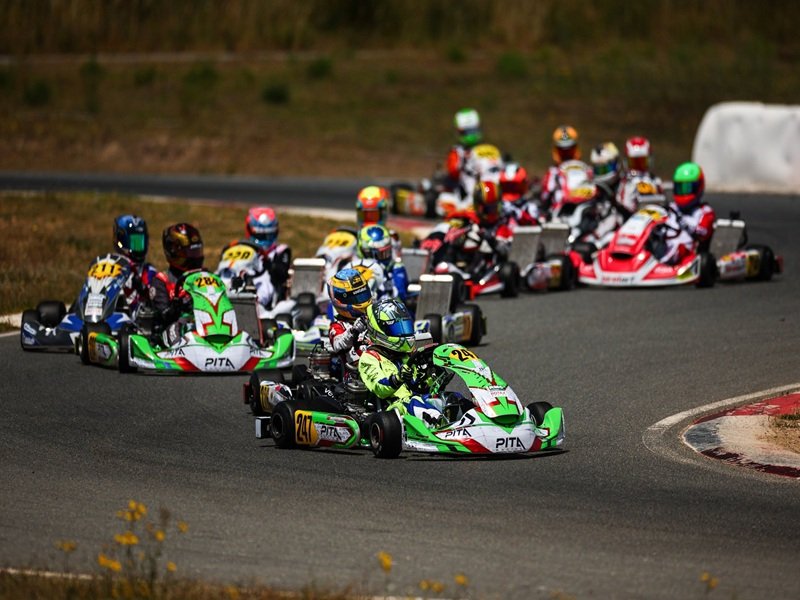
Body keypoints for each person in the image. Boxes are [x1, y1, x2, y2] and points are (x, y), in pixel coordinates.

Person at [358, 298, 444, 427]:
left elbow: (417, 386)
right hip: (393, 410)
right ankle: (440, 426)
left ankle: (472, 423)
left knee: (450, 398)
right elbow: (379, 388)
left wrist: (433, 378)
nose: (403, 332)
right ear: (379, 331)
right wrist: (398, 378)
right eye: (396, 328)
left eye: (404, 326)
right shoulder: (369, 358)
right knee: (414, 402)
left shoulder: (406, 355)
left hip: (417, 400)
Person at [221, 206, 292, 310]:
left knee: (263, 282)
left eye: (268, 235)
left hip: (264, 296)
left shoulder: (280, 251)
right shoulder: (241, 249)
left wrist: (269, 264)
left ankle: (251, 301)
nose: (265, 240)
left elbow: (281, 274)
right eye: (260, 236)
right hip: (236, 279)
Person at [150, 222, 204, 342]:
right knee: (184, 325)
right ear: (173, 251)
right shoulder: (162, 281)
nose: (195, 258)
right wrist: (179, 305)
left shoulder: (205, 276)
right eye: (191, 253)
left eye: (196, 252)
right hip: (173, 331)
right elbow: (163, 315)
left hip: (204, 324)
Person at [657, 162, 716, 265]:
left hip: (687, 253)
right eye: (680, 188)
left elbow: (703, 233)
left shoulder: (705, 211)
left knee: (678, 248)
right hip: (664, 244)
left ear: (698, 188)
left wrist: (684, 223)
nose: (683, 192)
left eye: (687, 188)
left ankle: (659, 264)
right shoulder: (670, 208)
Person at [327, 267, 373, 385]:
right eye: (356, 297)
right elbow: (338, 345)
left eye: (363, 294)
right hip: (356, 377)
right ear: (339, 301)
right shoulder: (337, 326)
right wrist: (354, 330)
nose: (362, 301)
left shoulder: (374, 316)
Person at [345, 224, 409, 301]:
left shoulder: (396, 268)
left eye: (385, 253)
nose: (382, 257)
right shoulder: (351, 266)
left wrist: (388, 285)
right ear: (363, 251)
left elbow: (401, 297)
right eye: (377, 254)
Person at [113, 214, 158, 307]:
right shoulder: (110, 265)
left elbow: (155, 301)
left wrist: (142, 287)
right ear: (121, 240)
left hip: (135, 313)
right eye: (134, 242)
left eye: (140, 241)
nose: (138, 247)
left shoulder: (148, 272)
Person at [616, 136, 664, 217]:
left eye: (642, 162)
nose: (638, 167)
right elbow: (620, 204)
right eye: (635, 162)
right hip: (630, 219)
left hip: (654, 218)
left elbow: (663, 203)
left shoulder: (655, 181)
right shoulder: (624, 182)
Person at [540, 125, 581, 214]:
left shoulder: (584, 169)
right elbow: (545, 196)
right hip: (559, 213)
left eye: (569, 150)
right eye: (563, 150)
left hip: (581, 208)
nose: (566, 154)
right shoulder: (552, 173)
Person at [355, 185, 402, 259]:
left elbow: (396, 260)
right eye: (365, 215)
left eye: (373, 215)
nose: (370, 219)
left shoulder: (390, 238)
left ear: (383, 213)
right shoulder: (355, 237)